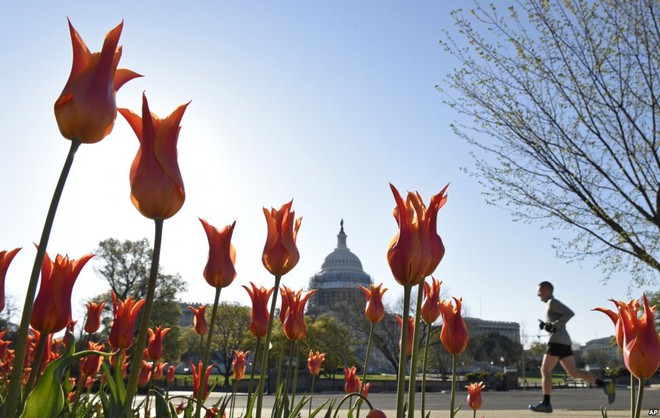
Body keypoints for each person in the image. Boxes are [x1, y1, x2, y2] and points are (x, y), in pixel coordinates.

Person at [529, 281, 615, 413]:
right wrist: (547, 326)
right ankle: (604, 384)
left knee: (545, 370)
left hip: (557, 342)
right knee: (573, 372)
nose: (538, 294)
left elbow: (570, 313)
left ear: (547, 290)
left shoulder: (552, 302)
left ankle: (546, 403)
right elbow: (555, 324)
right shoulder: (550, 304)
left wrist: (554, 325)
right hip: (564, 341)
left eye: (539, 291)